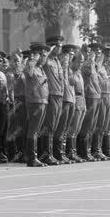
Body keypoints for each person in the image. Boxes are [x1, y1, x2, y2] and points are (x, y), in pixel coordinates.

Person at [39, 36, 65, 165]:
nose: (60, 48)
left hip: (59, 95)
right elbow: (41, 63)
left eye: (60, 46)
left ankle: (53, 153)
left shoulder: (57, 61)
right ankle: (45, 155)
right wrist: (48, 51)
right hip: (50, 95)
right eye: (58, 46)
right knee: (48, 126)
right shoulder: (46, 60)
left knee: (54, 126)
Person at [78, 43, 101, 162]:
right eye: (90, 51)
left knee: (92, 125)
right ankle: (84, 151)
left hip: (96, 96)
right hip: (89, 96)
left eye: (98, 51)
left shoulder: (94, 64)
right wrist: (91, 60)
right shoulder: (87, 64)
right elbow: (88, 73)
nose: (95, 53)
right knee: (87, 125)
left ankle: (90, 150)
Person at [65, 50, 86, 163]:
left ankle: (74, 151)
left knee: (77, 129)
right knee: (73, 128)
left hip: (82, 101)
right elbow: (71, 84)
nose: (80, 64)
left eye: (82, 62)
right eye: (78, 62)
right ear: (72, 61)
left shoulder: (79, 73)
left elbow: (82, 90)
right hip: (74, 100)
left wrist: (84, 105)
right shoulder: (69, 71)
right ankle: (70, 153)